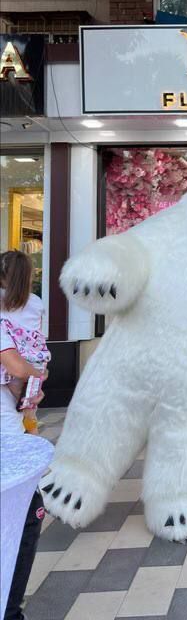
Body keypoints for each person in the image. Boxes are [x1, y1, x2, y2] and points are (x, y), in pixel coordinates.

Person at [0, 250, 49, 620]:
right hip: (8, 433)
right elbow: (17, 364)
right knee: (28, 514)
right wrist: (37, 375)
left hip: (11, 420)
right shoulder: (31, 306)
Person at [1, 250, 50, 435]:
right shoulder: (36, 302)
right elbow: (38, 336)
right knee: (28, 416)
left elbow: (16, 368)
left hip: (10, 373)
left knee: (17, 433)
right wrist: (40, 374)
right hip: (33, 363)